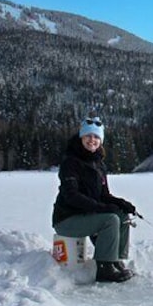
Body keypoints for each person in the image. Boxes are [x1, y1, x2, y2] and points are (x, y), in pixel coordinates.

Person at [52, 117, 138, 283]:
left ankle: (114, 260)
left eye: (96, 137)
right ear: (81, 138)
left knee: (121, 216)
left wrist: (121, 203)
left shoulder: (98, 164)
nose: (92, 140)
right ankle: (104, 268)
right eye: (88, 136)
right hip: (67, 219)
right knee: (110, 219)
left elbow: (104, 195)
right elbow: (71, 196)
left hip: (87, 215)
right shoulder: (70, 162)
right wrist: (100, 208)